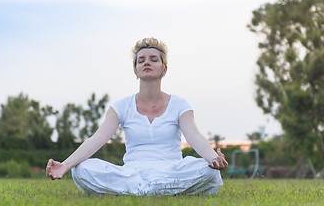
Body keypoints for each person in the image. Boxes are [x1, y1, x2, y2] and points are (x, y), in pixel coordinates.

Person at [46, 37, 228, 196]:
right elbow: (97, 139)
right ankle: (156, 191)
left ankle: (142, 191)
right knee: (81, 170)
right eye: (141, 60)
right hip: (132, 174)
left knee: (210, 172)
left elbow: (194, 136)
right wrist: (65, 165)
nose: (146, 63)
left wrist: (213, 158)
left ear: (164, 69)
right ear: (136, 69)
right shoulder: (121, 106)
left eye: (153, 59)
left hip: (172, 171)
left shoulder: (180, 104)